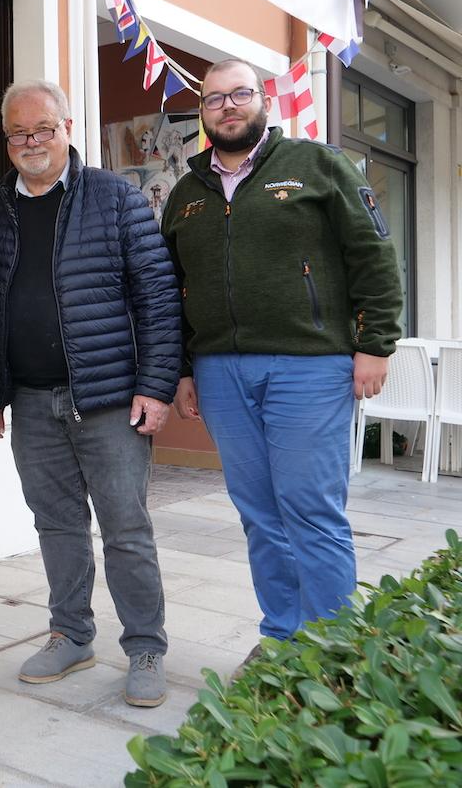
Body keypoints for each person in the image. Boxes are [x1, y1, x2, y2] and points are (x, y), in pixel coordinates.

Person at [160, 59, 402, 671]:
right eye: (214, 99)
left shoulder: (318, 166)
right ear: (203, 112)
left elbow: (373, 256)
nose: (227, 106)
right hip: (220, 372)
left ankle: (335, 652)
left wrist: (376, 343)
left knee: (309, 509)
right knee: (260, 514)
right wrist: (185, 368)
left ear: (264, 100)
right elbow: (175, 288)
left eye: (240, 94)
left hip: (311, 367)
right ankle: (282, 639)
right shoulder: (186, 195)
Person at [0, 80, 181, 707]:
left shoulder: (116, 198)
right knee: (57, 525)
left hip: (110, 400)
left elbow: (158, 298)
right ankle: (71, 633)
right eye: (17, 132)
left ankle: (145, 645)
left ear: (68, 127)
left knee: (125, 527)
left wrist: (156, 386)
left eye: (42, 128)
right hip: (32, 401)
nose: (30, 141)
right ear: (6, 139)